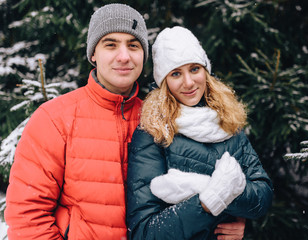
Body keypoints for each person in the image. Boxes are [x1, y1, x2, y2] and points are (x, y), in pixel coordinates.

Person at [4, 4, 246, 240]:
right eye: (111, 45)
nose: (124, 56)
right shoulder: (55, 119)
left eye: (133, 45)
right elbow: (28, 216)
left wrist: (229, 218)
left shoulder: (163, 118)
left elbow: (204, 186)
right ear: (93, 54)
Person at [126, 26, 274, 240]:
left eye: (194, 69)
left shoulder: (227, 121)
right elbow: (145, 232)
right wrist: (207, 199)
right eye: (176, 73)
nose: (188, 82)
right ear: (164, 82)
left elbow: (263, 197)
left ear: (206, 71)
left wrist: (231, 202)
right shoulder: (153, 132)